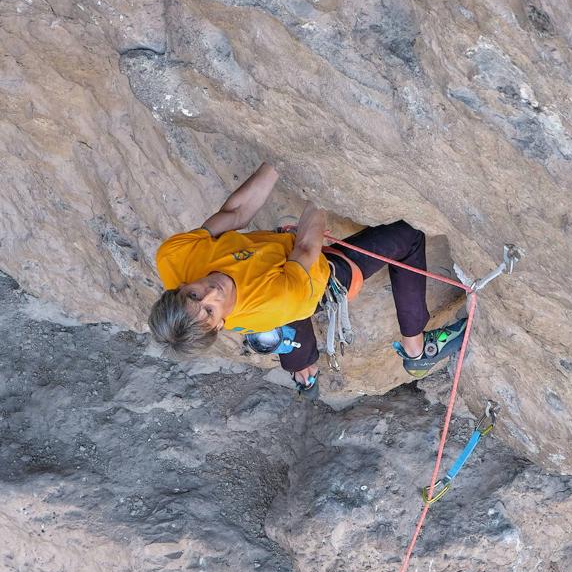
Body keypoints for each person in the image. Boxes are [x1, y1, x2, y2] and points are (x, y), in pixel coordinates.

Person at [149, 162, 466, 398]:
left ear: (179, 287)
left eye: (194, 296)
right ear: (219, 325)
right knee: (407, 237)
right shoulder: (275, 300)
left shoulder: (174, 258)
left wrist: (279, 161)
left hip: (277, 276)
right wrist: (316, 189)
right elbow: (306, 246)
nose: (210, 294)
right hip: (311, 276)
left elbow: (235, 213)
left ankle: (303, 373)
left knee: (286, 324)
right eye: (209, 311)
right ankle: (417, 351)